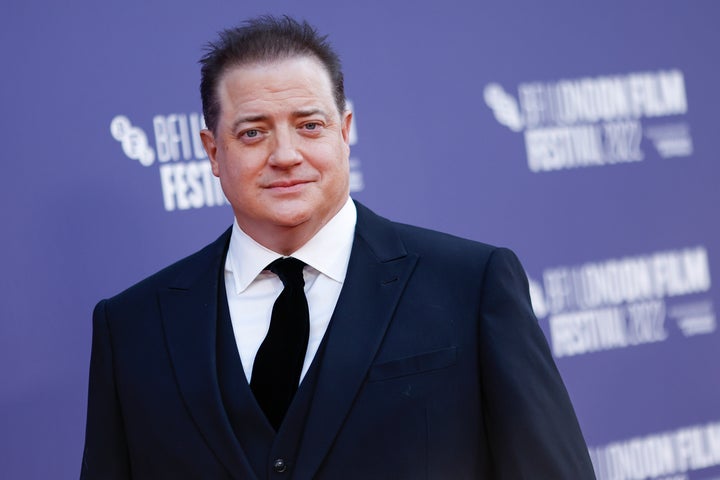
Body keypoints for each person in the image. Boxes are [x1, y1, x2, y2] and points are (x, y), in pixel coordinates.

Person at [81, 15, 597, 480]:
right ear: (213, 151)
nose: (285, 155)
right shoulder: (132, 327)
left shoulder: (470, 284)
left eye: (309, 126)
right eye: (253, 132)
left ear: (345, 132)